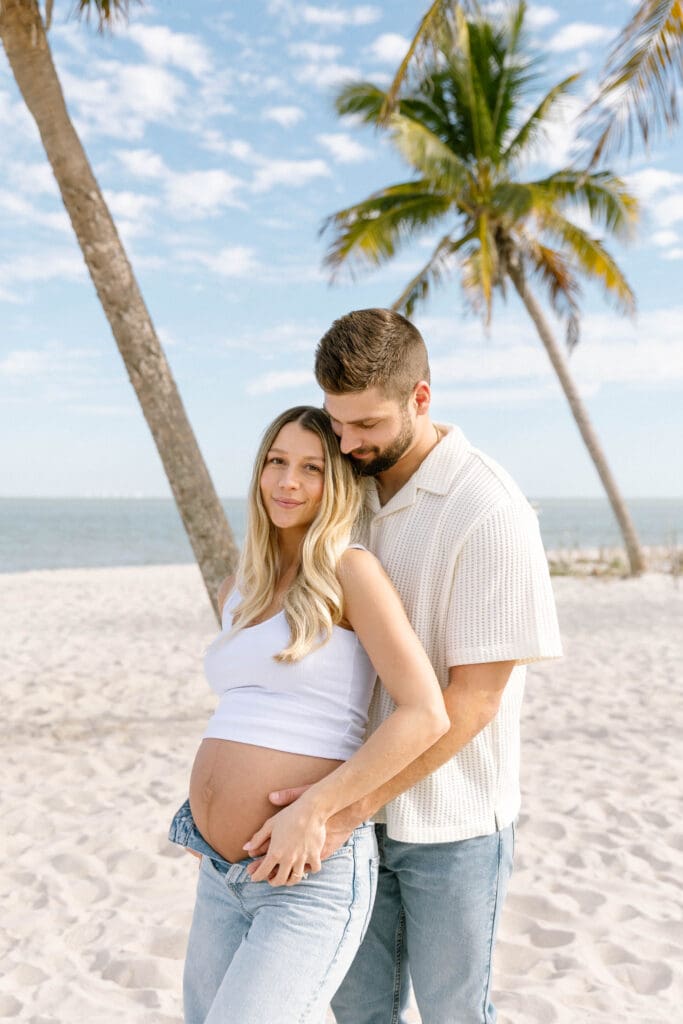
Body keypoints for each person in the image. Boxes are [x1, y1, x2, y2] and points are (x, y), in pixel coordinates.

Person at [258, 310, 563, 1024]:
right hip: (342, 816)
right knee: (359, 1013)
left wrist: (343, 807)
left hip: (450, 825)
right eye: (337, 422)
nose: (346, 442)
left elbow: (475, 701)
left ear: (420, 399)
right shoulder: (348, 486)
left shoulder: (489, 509)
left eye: (365, 425)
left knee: (456, 1014)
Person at [168, 404, 449, 1024]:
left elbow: (425, 712)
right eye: (276, 462)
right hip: (219, 871)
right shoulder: (239, 585)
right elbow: (249, 711)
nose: (287, 482)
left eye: (311, 468)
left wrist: (316, 807)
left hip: (305, 875)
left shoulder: (351, 571)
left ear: (338, 483)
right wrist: (205, 810)